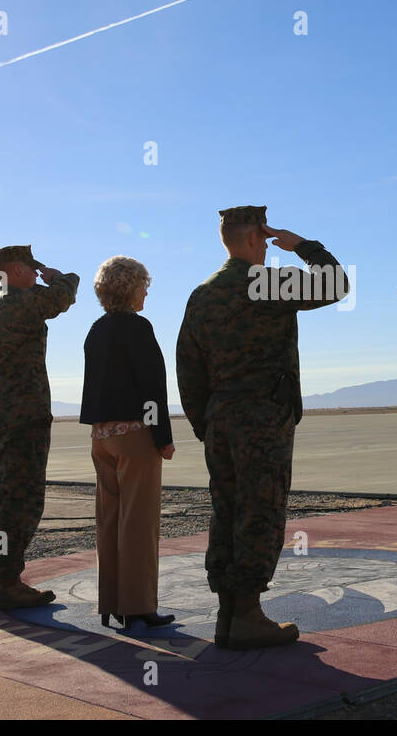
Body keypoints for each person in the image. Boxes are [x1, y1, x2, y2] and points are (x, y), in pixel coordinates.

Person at [176, 206, 347, 649]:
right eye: (266, 240)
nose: (270, 247)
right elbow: (336, 283)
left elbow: (188, 368)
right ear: (255, 239)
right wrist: (302, 245)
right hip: (263, 419)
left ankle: (228, 614)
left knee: (227, 510)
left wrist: (205, 423)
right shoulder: (264, 282)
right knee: (261, 511)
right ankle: (248, 614)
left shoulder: (202, 294)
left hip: (221, 421)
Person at [0, 245, 79, 611]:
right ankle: (8, 580)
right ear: (15, 269)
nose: (35, 273)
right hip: (24, 418)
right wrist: (56, 275)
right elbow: (65, 295)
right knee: (22, 501)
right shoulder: (22, 302)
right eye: (31, 267)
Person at [79, 256, 176, 630]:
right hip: (135, 437)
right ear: (130, 289)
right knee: (139, 523)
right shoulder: (138, 328)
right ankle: (136, 606)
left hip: (101, 437)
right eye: (143, 285)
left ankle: (110, 603)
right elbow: (152, 387)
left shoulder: (96, 330)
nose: (146, 292)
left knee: (109, 519)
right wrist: (162, 437)